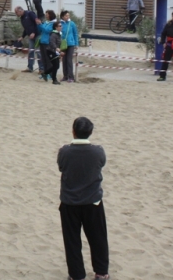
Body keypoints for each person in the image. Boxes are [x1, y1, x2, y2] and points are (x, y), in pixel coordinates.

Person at [57, 117, 109, 280]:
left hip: (70, 202)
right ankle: (101, 272)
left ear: (73, 131)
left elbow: (61, 167)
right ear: (90, 132)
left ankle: (76, 275)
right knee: (98, 238)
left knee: (72, 241)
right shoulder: (98, 151)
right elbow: (101, 164)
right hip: (92, 201)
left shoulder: (65, 151)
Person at [15, 6, 41, 73]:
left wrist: (34, 32)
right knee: (30, 51)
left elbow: (37, 23)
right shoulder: (22, 18)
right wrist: (22, 37)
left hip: (37, 35)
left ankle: (41, 68)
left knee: (38, 52)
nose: (16, 14)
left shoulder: (30, 14)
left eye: (16, 12)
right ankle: (30, 67)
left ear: (20, 11)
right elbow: (26, 29)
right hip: (30, 37)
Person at [37, 11, 57, 80]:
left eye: (47, 14)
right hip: (42, 41)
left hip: (48, 42)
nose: (46, 16)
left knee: (48, 59)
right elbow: (41, 30)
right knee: (43, 59)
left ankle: (50, 74)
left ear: (50, 15)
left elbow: (47, 30)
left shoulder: (53, 23)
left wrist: (41, 25)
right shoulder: (46, 22)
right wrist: (39, 25)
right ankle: (45, 73)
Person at [60, 10, 79, 83]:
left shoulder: (72, 24)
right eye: (66, 15)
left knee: (69, 60)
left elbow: (75, 34)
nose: (67, 17)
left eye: (68, 15)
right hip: (63, 44)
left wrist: (76, 44)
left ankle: (71, 77)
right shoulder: (60, 23)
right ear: (63, 16)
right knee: (64, 60)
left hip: (71, 44)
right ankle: (65, 76)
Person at [43, 20, 62, 85]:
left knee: (56, 66)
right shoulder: (53, 34)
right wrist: (56, 48)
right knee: (56, 65)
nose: (61, 27)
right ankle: (54, 80)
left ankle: (45, 73)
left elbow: (59, 43)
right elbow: (52, 42)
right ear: (56, 27)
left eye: (61, 26)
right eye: (59, 26)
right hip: (51, 51)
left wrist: (60, 51)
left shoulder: (59, 34)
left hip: (55, 51)